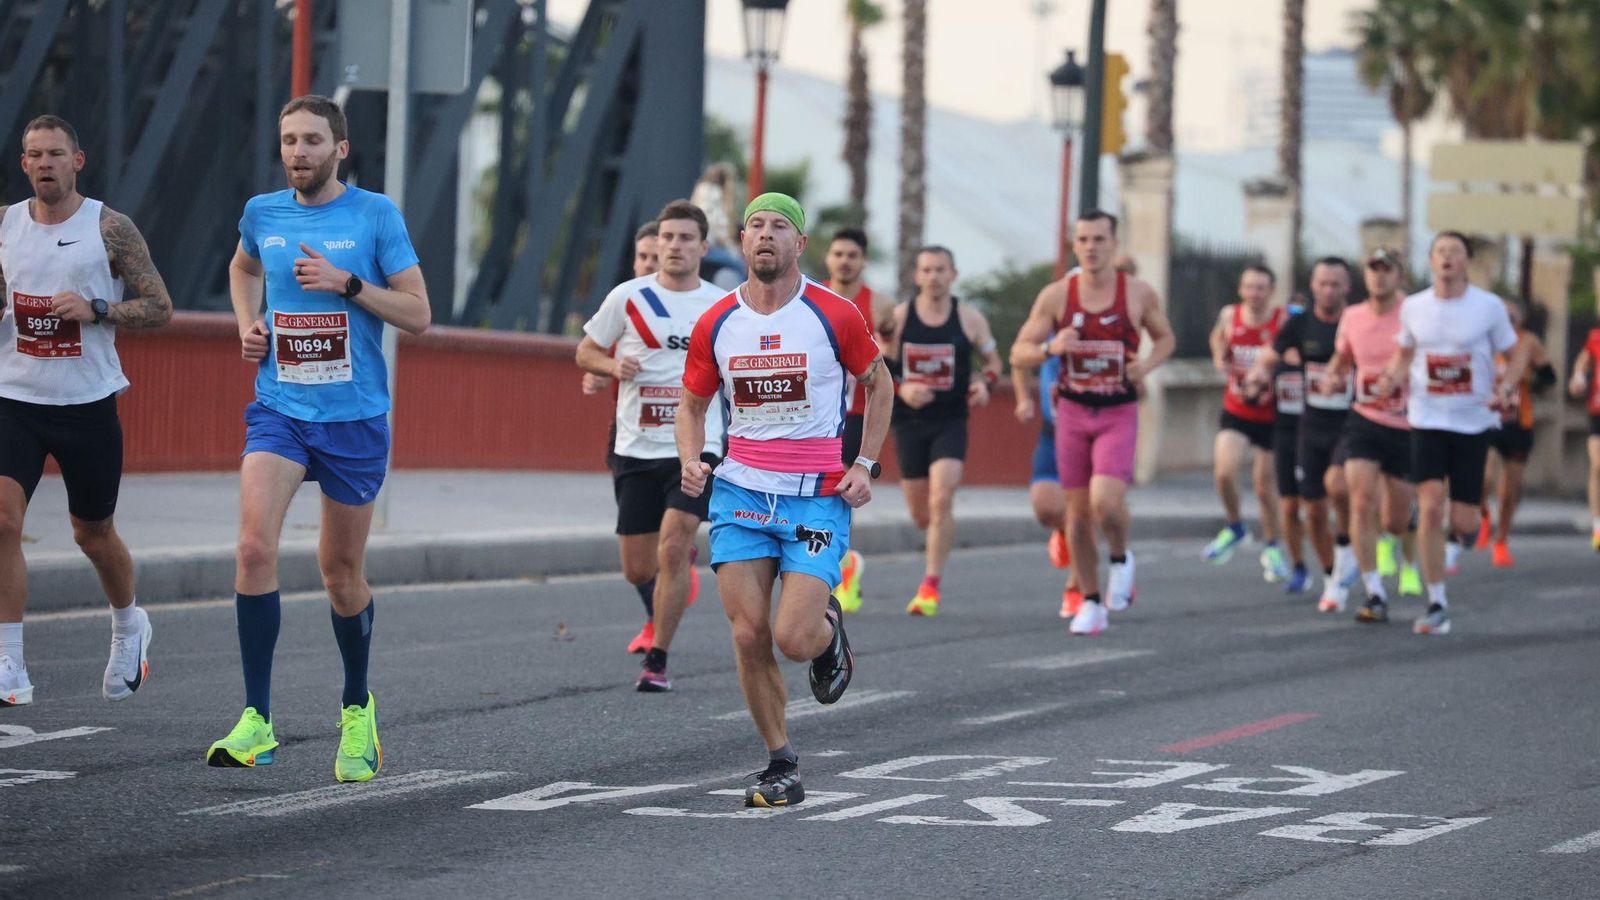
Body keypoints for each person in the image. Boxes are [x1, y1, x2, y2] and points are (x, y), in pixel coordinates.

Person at [207, 95, 431, 781]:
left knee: (339, 573)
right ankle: (256, 721)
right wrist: (249, 323)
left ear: (340, 148)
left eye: (311, 140)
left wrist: (349, 283)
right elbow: (243, 269)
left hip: (354, 417)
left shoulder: (374, 215)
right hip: (280, 408)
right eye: (288, 140)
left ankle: (358, 707)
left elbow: (419, 313)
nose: (297, 152)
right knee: (252, 548)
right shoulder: (262, 213)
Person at [677, 193, 892, 807]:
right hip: (741, 491)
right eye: (755, 227)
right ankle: (781, 763)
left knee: (792, 638)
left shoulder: (834, 313)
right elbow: (693, 404)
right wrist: (691, 460)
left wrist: (865, 463)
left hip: (816, 499)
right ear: (742, 243)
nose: (766, 235)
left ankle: (828, 631)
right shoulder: (717, 321)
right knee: (749, 636)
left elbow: (880, 385)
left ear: (800, 245)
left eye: (780, 227)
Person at [0, 115, 173, 708]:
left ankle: (130, 627)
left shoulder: (109, 227)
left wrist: (97, 308)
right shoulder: (6, 224)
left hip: (86, 403)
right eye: (33, 154)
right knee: (2, 520)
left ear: (79, 160)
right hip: (15, 398)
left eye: (55, 153)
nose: (44, 163)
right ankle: (10, 662)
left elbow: (159, 307)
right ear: (23, 164)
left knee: (92, 534)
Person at [576, 200, 725, 691]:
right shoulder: (628, 297)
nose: (675, 246)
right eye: (668, 238)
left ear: (704, 247)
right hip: (635, 446)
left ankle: (658, 658)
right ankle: (663, 599)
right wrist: (613, 368)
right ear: (655, 244)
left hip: (695, 447)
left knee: (675, 543)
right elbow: (586, 350)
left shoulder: (721, 305)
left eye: (686, 238)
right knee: (637, 565)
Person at [1011, 210, 1176, 636]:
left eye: (1100, 239)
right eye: (1083, 239)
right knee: (1078, 516)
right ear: (1075, 244)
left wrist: (1147, 365)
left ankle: (1121, 558)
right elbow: (1019, 353)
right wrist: (1051, 346)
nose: (1091, 247)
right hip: (1072, 413)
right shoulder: (1057, 296)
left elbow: (1166, 338)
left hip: (1117, 412)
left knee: (1106, 502)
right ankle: (1089, 600)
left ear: (1113, 244)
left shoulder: (1137, 293)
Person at [1374, 231, 1528, 635]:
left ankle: (1465, 532)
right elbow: (1405, 353)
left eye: (1455, 253)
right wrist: (1390, 378)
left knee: (1462, 520)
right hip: (1427, 419)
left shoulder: (1488, 307)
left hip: (1473, 422)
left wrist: (1506, 387)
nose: (1446, 259)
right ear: (1431, 260)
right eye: (1440, 252)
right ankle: (1437, 601)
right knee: (1429, 505)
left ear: (1466, 262)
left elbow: (1517, 356)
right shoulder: (1414, 307)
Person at [889, 246, 1003, 617]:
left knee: (943, 498)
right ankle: (930, 545)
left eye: (941, 269)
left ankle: (930, 585)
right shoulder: (901, 318)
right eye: (927, 270)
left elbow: (994, 363)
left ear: (953, 274)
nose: (934, 276)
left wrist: (984, 383)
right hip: (909, 421)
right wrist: (903, 387)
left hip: (950, 419)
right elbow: (876, 366)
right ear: (916, 276)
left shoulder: (969, 319)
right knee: (921, 515)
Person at [1246, 258, 1357, 612]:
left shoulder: (1355, 322)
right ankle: (1331, 577)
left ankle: (1349, 546)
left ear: (1347, 288)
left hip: (1352, 423)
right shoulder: (1299, 323)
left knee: (1339, 486)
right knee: (1313, 511)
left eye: (1335, 284)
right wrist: (1258, 374)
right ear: (1313, 285)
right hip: (1311, 426)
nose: (1328, 291)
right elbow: (1270, 356)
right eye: (1322, 283)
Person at [1324, 248, 1420, 624]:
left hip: (1408, 424)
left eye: (1387, 269)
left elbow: (1422, 355)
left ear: (1399, 275)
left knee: (1394, 520)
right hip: (1364, 419)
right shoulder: (1352, 317)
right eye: (1373, 269)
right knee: (1360, 498)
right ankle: (1373, 591)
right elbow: (1342, 359)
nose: (1379, 276)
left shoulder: (1415, 313)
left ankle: (1395, 536)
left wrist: (1397, 376)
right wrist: (1333, 375)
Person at [1203, 264, 1290, 581]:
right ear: (1241, 290)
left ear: (1271, 291)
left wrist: (1270, 375)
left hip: (1272, 414)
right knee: (1224, 472)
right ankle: (1236, 526)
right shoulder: (1230, 316)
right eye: (1249, 287)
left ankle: (1272, 546)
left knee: (1265, 489)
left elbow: (1294, 357)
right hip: (1237, 408)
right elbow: (1216, 338)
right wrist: (1218, 357)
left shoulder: (1282, 320)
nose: (1254, 294)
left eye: (1261, 288)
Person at [824, 226, 891, 613]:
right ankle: (844, 562)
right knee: (834, 488)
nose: (844, 261)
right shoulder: (811, 298)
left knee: (843, 486)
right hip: (818, 412)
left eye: (852, 255)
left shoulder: (878, 305)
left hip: (857, 411)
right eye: (838, 254)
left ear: (862, 261)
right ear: (828, 259)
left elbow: (891, 360)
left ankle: (842, 565)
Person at [1477, 297, 1555, 566]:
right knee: (1482, 477)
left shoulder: (1528, 342)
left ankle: (1501, 539)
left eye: (1512, 315)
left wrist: (1526, 375)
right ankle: (1483, 515)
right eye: (1503, 314)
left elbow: (1550, 377)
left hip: (1518, 421)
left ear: (1520, 319)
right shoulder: (1482, 337)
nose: (1508, 320)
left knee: (1509, 489)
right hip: (1486, 418)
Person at [1569, 322, 1600, 551]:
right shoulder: (1596, 337)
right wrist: (1579, 376)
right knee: (1598, 466)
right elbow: (1583, 360)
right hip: (1598, 411)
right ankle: (1598, 525)